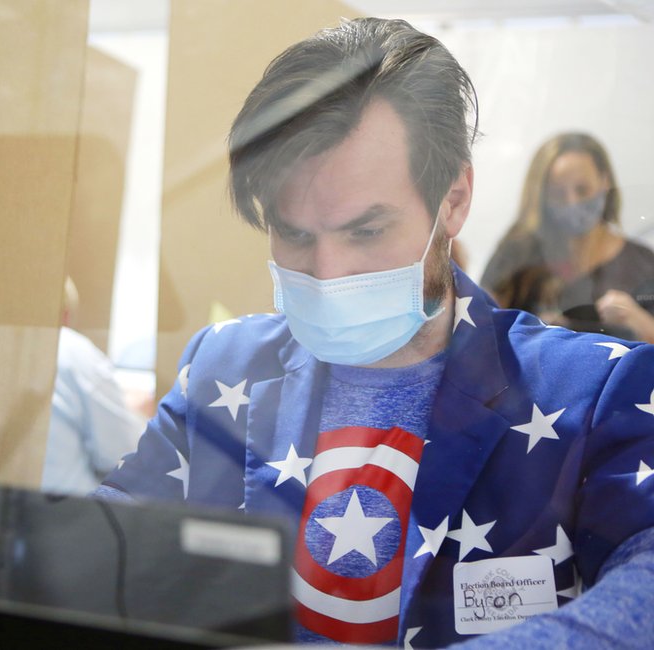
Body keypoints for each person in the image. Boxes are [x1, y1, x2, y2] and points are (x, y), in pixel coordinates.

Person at [94, 17, 654, 648]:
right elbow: (94, 550)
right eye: (296, 234)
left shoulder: (593, 390)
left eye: (366, 230)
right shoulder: (225, 368)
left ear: (454, 199)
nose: (329, 273)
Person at [481, 132, 654, 342]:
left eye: (582, 190)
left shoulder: (644, 265)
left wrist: (641, 324)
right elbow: (479, 327)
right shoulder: (519, 254)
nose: (572, 202)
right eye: (558, 193)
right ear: (541, 196)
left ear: (605, 182)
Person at [40, 277, 143, 495]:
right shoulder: (70, 348)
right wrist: (137, 414)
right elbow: (122, 453)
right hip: (62, 517)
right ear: (66, 314)